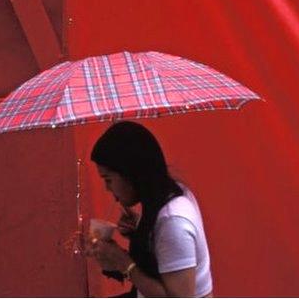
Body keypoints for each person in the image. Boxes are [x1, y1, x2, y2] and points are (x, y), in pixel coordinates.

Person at [85, 121, 213, 298]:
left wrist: (124, 263)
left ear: (130, 173)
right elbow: (163, 259)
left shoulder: (173, 222)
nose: (107, 188)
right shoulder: (166, 195)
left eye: (108, 179)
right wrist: (139, 232)